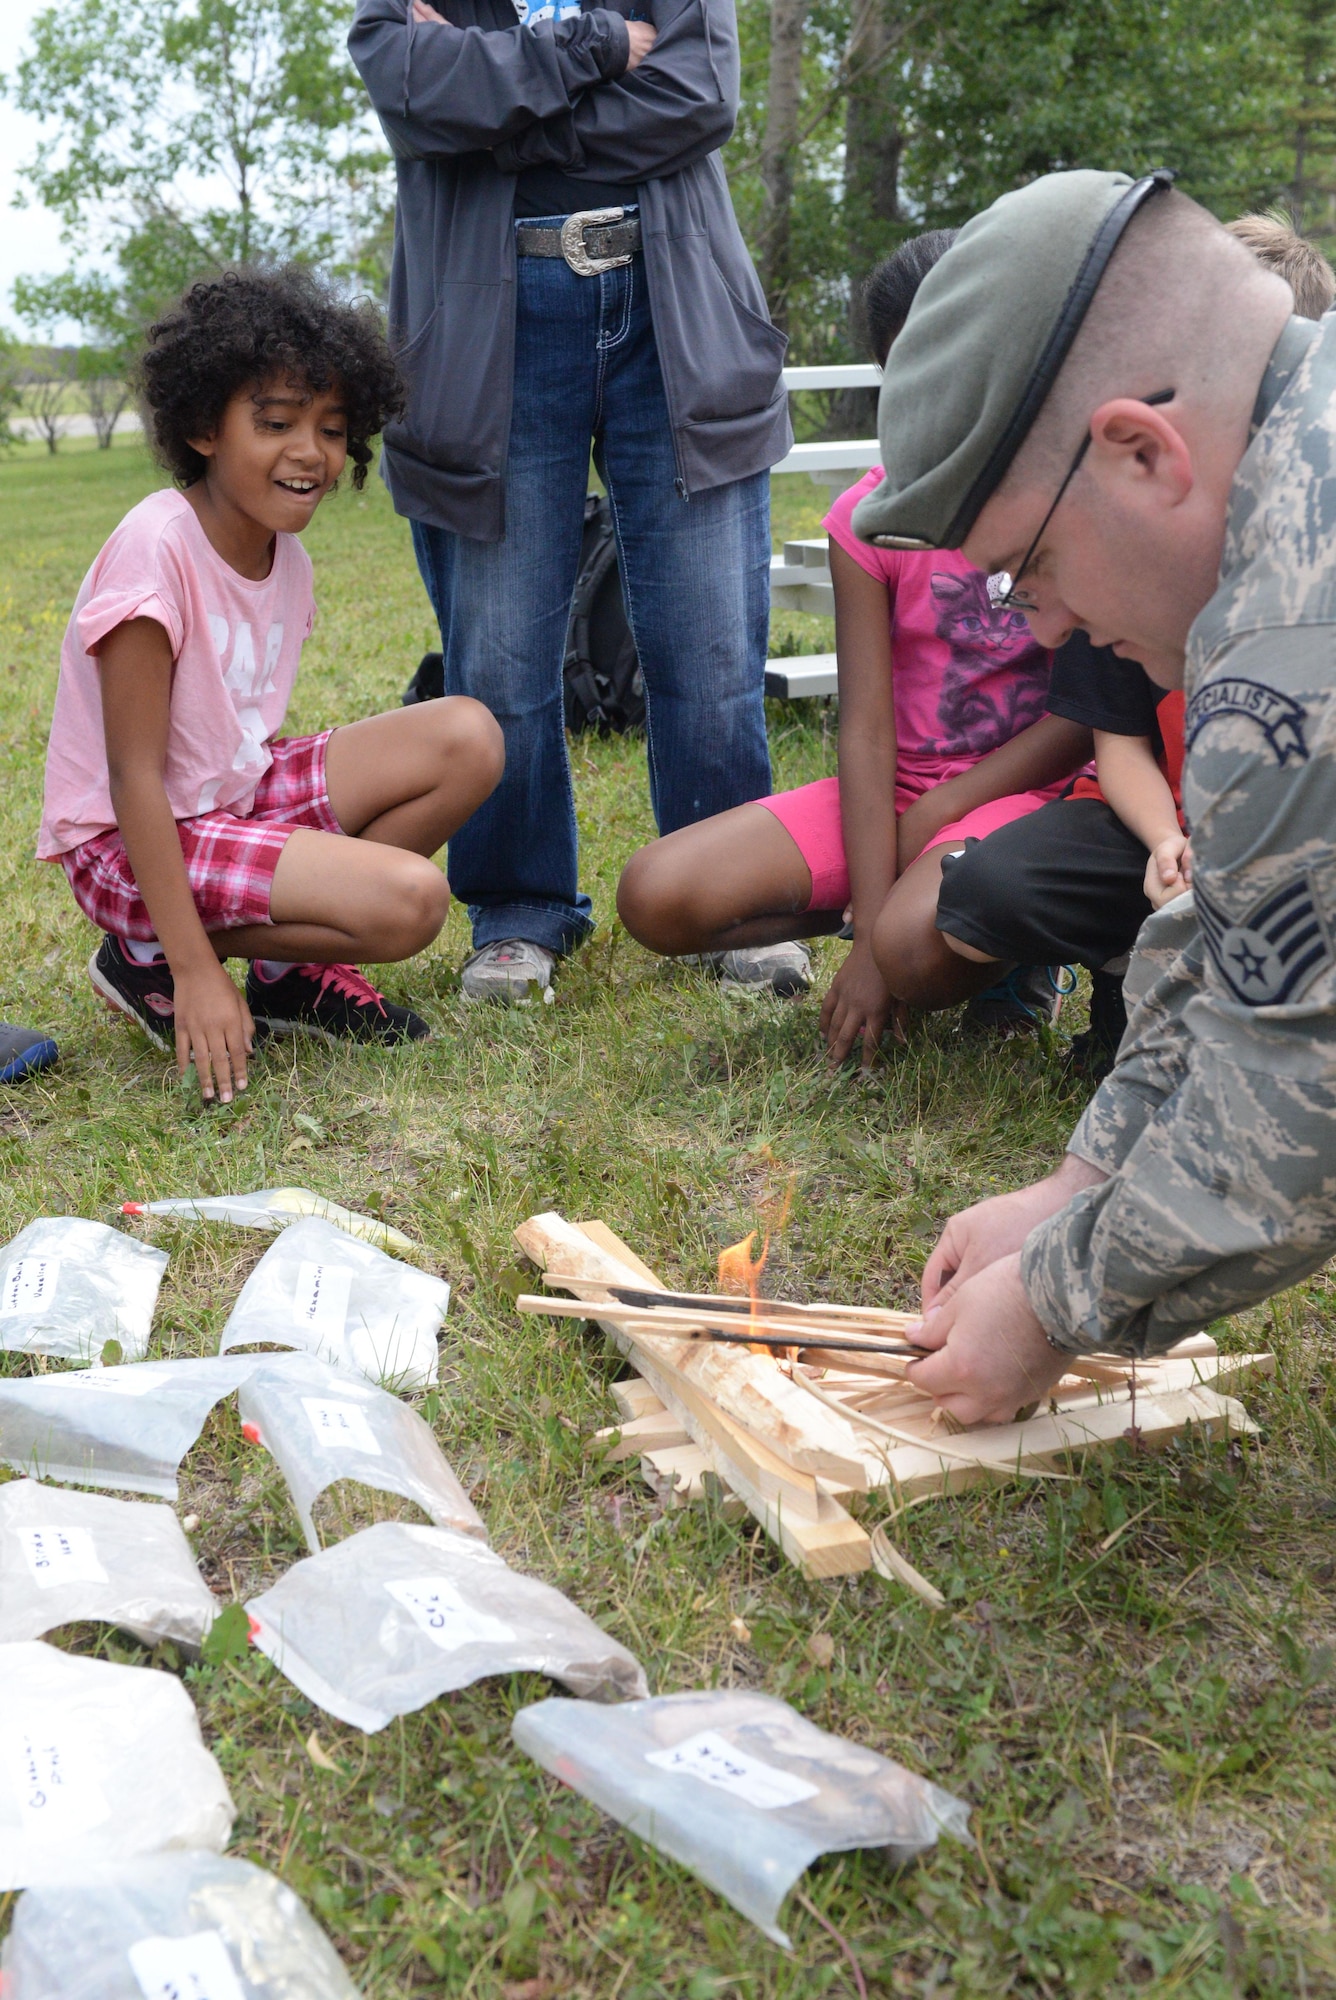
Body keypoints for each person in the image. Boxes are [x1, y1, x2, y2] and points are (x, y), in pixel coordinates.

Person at [849, 166, 1336, 1423]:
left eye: (1030, 567)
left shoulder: (1289, 634)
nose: (1045, 623)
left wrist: (1055, 1301)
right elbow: (1240, 905)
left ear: (1139, 450)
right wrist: (1081, 1176)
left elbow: (1300, 1089)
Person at [349, 0, 791, 1004]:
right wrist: (587, 58)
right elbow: (407, 91)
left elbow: (698, 95)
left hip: (670, 310)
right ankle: (518, 910)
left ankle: (735, 899)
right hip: (492, 320)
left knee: (710, 640)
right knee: (500, 655)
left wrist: (497, 107)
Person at [616, 233, 1093, 1066]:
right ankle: (906, 918)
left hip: (1022, 793)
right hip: (896, 792)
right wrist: (868, 924)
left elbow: (1085, 712)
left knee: (911, 958)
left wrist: (942, 821)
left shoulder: (1070, 499)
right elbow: (867, 727)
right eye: (916, 367)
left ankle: (1014, 955)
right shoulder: (870, 516)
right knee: (656, 897)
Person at [38, 267, 504, 1106]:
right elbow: (132, 777)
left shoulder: (286, 554)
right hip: (128, 846)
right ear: (202, 427)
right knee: (412, 904)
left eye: (331, 430)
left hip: (229, 800)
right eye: (277, 422)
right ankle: (143, 957)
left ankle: (289, 976)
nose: (310, 453)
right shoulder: (157, 548)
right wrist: (194, 969)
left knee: (468, 735)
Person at [930, 210, 1333, 1079]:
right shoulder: (1140, 557)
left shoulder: (1295, 589)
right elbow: (1118, 744)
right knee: (980, 892)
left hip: (1270, 871)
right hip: (1173, 837)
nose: (1042, 629)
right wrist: (1167, 845)